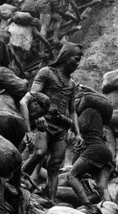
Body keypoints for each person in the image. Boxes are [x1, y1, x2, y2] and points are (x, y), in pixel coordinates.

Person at [20, 42, 83, 204]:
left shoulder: (72, 83)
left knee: (54, 165)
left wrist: (78, 133)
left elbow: (73, 111)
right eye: (76, 59)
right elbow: (33, 96)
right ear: (66, 56)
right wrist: (36, 118)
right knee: (39, 152)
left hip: (61, 127)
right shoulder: (46, 72)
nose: (77, 63)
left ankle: (51, 201)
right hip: (44, 123)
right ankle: (14, 180)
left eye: (79, 60)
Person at [67, 95, 114, 206]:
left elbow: (80, 126)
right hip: (105, 152)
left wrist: (70, 121)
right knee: (102, 187)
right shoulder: (99, 117)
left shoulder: (88, 111)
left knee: (71, 176)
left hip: (95, 149)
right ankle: (110, 210)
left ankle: (87, 205)